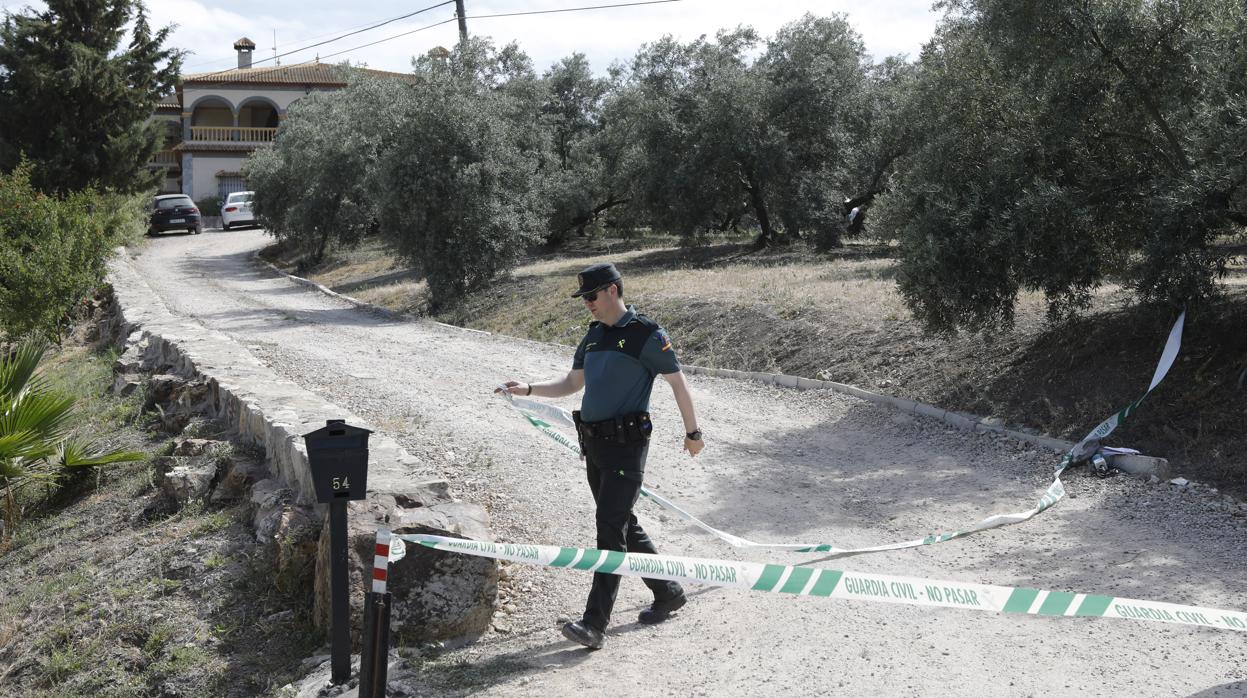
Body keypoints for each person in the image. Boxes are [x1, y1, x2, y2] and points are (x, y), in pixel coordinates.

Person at [497, 262, 705, 650]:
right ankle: (668, 591)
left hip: (627, 445)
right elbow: (572, 383)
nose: (587, 304)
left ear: (612, 290)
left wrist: (693, 433)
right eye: (584, 298)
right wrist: (526, 388)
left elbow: (678, 383)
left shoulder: (646, 333)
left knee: (609, 528)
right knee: (621, 522)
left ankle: (595, 623)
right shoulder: (593, 336)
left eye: (591, 296)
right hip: (594, 443)